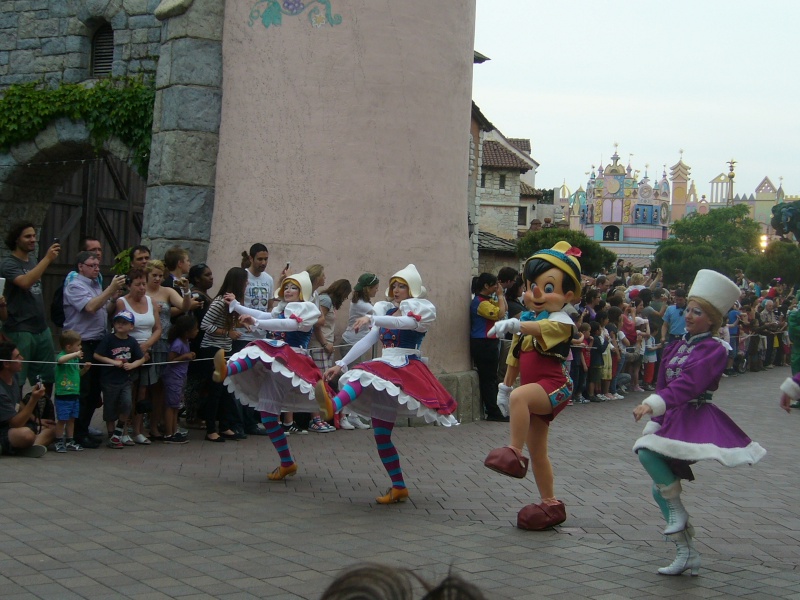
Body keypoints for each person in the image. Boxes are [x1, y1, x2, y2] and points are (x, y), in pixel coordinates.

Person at [632, 269, 766, 576]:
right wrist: (656, 416)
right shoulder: (677, 346)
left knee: (646, 451)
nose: (689, 316)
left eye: (697, 311)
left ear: (712, 319)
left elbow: (689, 385)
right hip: (673, 419)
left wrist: (651, 406)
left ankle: (678, 517)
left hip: (696, 418)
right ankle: (686, 551)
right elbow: (664, 384)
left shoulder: (715, 349)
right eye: (688, 310)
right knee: (658, 487)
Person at [316, 264, 458, 504]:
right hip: (387, 368)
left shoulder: (418, 312)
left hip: (404, 366)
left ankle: (333, 406)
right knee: (381, 435)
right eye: (394, 285)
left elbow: (404, 324)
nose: (396, 290)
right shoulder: (387, 311)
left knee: (363, 373)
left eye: (402, 286)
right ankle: (399, 486)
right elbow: (368, 340)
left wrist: (372, 317)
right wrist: (340, 364)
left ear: (412, 289)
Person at [483, 241, 582, 530]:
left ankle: (513, 452)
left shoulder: (561, 320)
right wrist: (504, 387)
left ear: (568, 294)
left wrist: (516, 325)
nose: (536, 293)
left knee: (521, 397)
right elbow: (514, 357)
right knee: (538, 450)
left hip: (555, 385)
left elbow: (545, 330)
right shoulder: (526, 318)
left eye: (548, 288)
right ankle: (550, 503)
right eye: (531, 286)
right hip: (535, 386)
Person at [213, 271, 322, 478]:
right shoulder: (282, 309)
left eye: (294, 287)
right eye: (287, 287)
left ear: (303, 292)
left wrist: (256, 323)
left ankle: (228, 369)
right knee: (268, 416)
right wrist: (237, 306)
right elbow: (263, 315)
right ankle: (287, 462)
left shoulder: (307, 309)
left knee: (259, 348)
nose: (288, 291)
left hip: (293, 359)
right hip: (278, 361)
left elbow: (288, 325)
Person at [63, 251, 127, 449]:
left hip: (98, 340)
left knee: (94, 392)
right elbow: (90, 307)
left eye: (98, 265)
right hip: (82, 342)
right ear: (80, 266)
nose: (96, 268)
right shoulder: (74, 285)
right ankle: (76, 434)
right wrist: (109, 290)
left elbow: (102, 309)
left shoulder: (95, 284)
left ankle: (84, 429)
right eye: (91, 265)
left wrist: (112, 299)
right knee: (83, 388)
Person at [0, 221, 60, 394]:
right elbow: (25, 282)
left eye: (34, 236)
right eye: (28, 236)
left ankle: (43, 414)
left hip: (41, 328)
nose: (33, 239)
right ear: (16, 239)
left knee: (47, 378)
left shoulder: (32, 261)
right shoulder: (8, 264)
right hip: (19, 328)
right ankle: (16, 415)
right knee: (16, 378)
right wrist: (48, 258)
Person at [143, 259, 194, 439]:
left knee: (159, 388)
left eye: (160, 275)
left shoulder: (168, 291)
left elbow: (185, 306)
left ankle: (156, 425)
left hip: (164, 341)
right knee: (142, 387)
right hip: (145, 341)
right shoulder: (142, 291)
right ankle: (139, 426)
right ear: (146, 275)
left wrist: (186, 290)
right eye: (154, 275)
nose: (157, 279)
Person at [198, 267, 249, 442]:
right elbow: (205, 325)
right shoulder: (220, 302)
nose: (247, 284)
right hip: (212, 349)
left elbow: (230, 324)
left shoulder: (233, 303)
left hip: (225, 349)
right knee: (216, 390)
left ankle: (225, 425)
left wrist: (243, 325)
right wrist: (228, 332)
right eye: (245, 281)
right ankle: (211, 429)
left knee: (227, 389)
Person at [116, 268, 162, 445]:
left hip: (146, 351)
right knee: (128, 391)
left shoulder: (151, 301)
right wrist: (135, 348)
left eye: (144, 284)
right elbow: (119, 327)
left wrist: (147, 345)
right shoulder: (122, 302)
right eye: (138, 284)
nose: (142, 288)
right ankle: (123, 430)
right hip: (127, 351)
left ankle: (138, 430)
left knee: (142, 391)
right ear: (129, 286)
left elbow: (158, 328)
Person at [93, 311, 147, 449]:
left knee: (127, 404)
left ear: (131, 326)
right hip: (109, 379)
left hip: (125, 379)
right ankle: (112, 436)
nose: (120, 325)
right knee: (110, 408)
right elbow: (97, 355)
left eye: (124, 323)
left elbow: (141, 357)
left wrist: (133, 364)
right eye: (118, 322)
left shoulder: (131, 341)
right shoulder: (109, 339)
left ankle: (118, 432)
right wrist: (112, 361)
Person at [310, 278, 352, 429]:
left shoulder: (328, 301)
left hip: (326, 346)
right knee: (320, 382)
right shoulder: (326, 300)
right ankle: (315, 419)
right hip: (320, 346)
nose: (345, 298)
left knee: (325, 382)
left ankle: (323, 417)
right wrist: (324, 343)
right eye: (345, 295)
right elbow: (317, 324)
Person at [0, 341, 54, 457]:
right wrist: (34, 399)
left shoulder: (13, 375)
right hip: (5, 428)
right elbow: (16, 424)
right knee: (26, 434)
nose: (22, 358)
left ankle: (24, 448)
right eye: (17, 357)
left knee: (52, 428)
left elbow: (17, 402)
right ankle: (22, 446)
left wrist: (34, 419)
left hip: (12, 426)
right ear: (6, 364)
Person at [470, 273, 508, 421]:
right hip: (483, 342)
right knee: (488, 379)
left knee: (491, 377)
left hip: (488, 342)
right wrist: (499, 296)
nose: (496, 288)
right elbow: (499, 313)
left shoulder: (486, 300)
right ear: (486, 286)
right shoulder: (480, 303)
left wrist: (500, 297)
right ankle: (493, 411)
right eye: (494, 285)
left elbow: (502, 309)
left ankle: (494, 409)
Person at [185, 263, 214, 428]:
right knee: (195, 381)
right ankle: (191, 415)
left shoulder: (205, 295)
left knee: (203, 380)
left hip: (205, 343)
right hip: (198, 343)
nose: (211, 277)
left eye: (211, 274)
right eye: (207, 275)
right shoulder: (197, 297)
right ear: (196, 278)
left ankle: (197, 413)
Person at [161, 314, 197, 444]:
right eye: (194, 329)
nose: (197, 331)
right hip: (173, 377)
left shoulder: (185, 341)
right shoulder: (177, 343)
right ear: (186, 331)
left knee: (176, 405)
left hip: (181, 376)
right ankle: (168, 433)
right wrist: (185, 356)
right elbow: (171, 360)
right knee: (171, 405)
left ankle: (174, 430)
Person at [53, 330, 91, 453]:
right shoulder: (63, 356)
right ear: (68, 347)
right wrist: (75, 355)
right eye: (78, 345)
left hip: (74, 393)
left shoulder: (75, 360)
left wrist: (84, 369)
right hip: (63, 394)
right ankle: (58, 441)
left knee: (72, 419)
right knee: (62, 419)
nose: (80, 348)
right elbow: (60, 360)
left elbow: (77, 375)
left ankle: (70, 440)